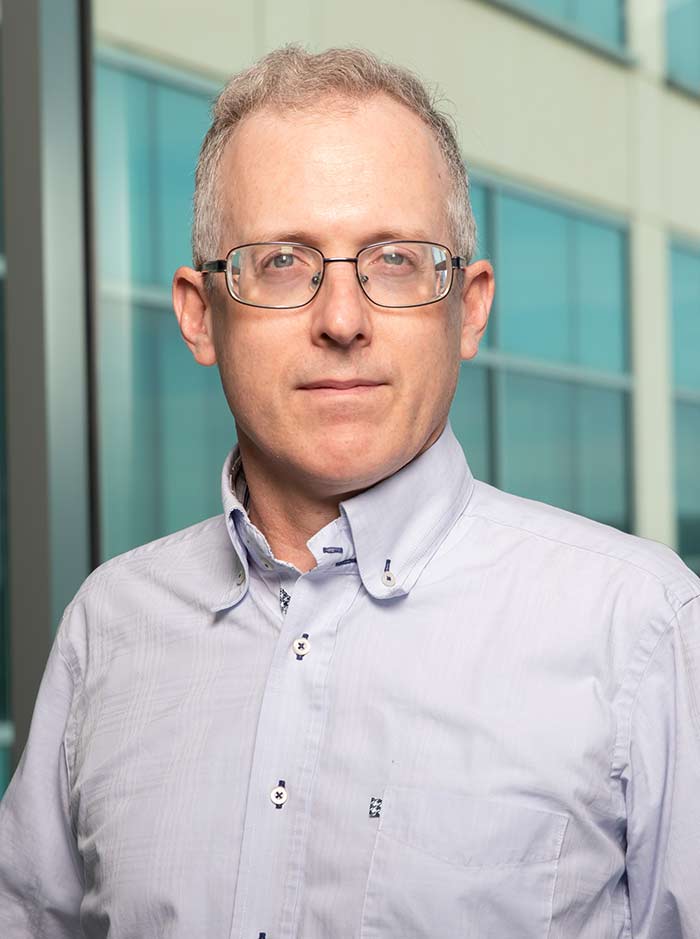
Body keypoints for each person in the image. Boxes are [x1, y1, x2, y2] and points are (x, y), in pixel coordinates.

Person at [1, 44, 699, 939]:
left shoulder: (639, 626)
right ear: (198, 312)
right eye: (284, 261)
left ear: (471, 306)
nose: (342, 320)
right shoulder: (110, 627)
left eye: (396, 259)